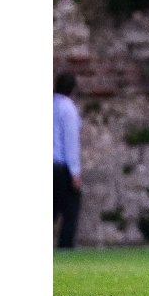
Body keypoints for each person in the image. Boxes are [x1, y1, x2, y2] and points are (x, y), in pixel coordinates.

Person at [53, 71, 83, 249]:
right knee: (71, 209)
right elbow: (71, 141)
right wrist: (75, 172)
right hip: (60, 168)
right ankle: (65, 248)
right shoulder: (68, 109)